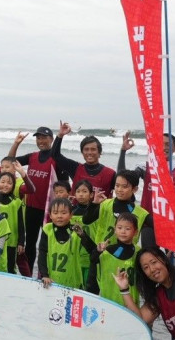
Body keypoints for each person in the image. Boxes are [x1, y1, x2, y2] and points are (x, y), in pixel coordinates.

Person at [8, 126, 68, 272]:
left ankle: (45, 274)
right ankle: (28, 274)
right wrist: (16, 143)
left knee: (47, 244)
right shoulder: (32, 156)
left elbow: (65, 186)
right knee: (30, 244)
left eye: (44, 138)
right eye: (38, 138)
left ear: (51, 139)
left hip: (49, 210)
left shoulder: (57, 159)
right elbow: (10, 161)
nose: (41, 141)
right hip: (31, 208)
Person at [118, 131, 175, 237]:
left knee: (171, 254)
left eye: (168, 144)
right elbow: (122, 178)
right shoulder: (145, 168)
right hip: (148, 223)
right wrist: (123, 151)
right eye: (160, 144)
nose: (164, 147)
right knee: (149, 254)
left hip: (173, 226)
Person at [86, 212, 140, 304]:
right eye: (119, 228)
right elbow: (93, 261)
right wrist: (98, 251)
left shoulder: (138, 251)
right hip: (109, 302)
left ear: (135, 232)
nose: (123, 231)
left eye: (127, 228)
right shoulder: (107, 251)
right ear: (115, 230)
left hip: (131, 303)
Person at [87, 170, 150, 248]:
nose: (119, 189)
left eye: (124, 186)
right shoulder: (105, 204)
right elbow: (86, 220)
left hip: (127, 258)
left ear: (135, 189)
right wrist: (94, 204)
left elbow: (161, 229)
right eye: (117, 185)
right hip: (101, 255)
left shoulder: (142, 214)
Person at [51, 123, 117, 197]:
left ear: (99, 152)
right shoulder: (75, 168)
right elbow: (55, 155)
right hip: (76, 208)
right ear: (82, 152)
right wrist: (60, 135)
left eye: (93, 149)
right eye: (86, 149)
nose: (89, 152)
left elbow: (122, 192)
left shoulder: (110, 174)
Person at [39, 199, 88, 289]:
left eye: (64, 213)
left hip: (73, 283)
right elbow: (42, 253)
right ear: (50, 215)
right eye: (55, 213)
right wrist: (44, 274)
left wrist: (83, 236)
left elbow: (91, 249)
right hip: (51, 281)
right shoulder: (47, 229)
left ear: (71, 215)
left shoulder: (76, 230)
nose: (59, 216)